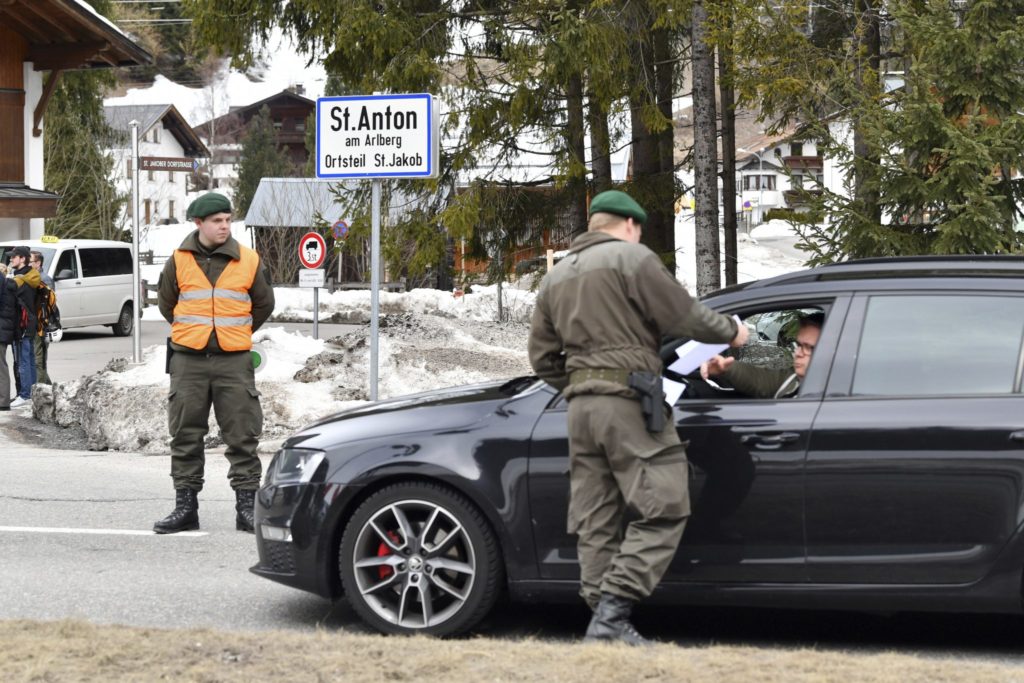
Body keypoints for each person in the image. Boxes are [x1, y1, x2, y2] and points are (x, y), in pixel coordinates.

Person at [528, 189, 748, 645]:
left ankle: (604, 622)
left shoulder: (557, 277)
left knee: (596, 517)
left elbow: (543, 358)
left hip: (581, 410)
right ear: (629, 225)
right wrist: (734, 331)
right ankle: (612, 614)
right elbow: (685, 316)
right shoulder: (633, 260)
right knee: (665, 506)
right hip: (627, 402)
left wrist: (580, 387)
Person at [154, 192, 275, 534]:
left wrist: (233, 331)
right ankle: (185, 508)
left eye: (228, 220)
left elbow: (264, 305)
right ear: (198, 224)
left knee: (242, 434)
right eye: (217, 221)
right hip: (188, 360)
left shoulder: (248, 260)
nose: (225, 227)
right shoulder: (178, 261)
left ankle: (247, 509)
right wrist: (195, 331)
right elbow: (168, 304)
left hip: (233, 361)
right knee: (185, 434)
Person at [700, 312, 824, 399]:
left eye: (808, 347)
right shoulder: (794, 380)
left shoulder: (835, 392)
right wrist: (726, 367)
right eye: (799, 345)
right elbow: (761, 379)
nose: (798, 353)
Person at [9, 246, 40, 408]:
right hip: (30, 322)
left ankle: (25, 394)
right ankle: (32, 392)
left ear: (22, 259)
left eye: (14, 257)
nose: (11, 260)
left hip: (21, 323)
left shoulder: (20, 280)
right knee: (30, 359)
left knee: (23, 360)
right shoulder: (32, 276)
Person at [29, 250, 53, 385]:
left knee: (39, 360)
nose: (28, 264)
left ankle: (42, 393)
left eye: (30, 261)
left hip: (41, 325)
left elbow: (48, 304)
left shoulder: (44, 279)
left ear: (38, 263)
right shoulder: (34, 277)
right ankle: (48, 388)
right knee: (37, 359)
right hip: (35, 323)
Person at [0, 264, 17, 411]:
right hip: (4, 328)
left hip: (1, 328)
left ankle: (3, 402)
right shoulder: (5, 282)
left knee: (0, 367)